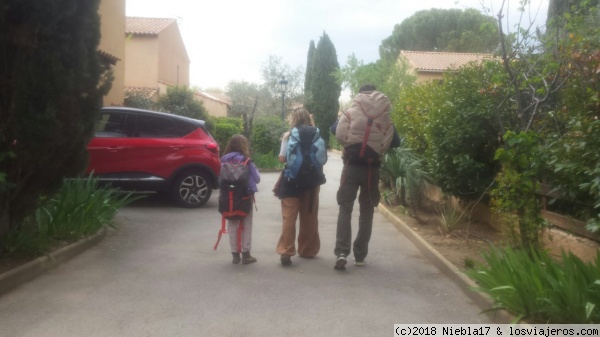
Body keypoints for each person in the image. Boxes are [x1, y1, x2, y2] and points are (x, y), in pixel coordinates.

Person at [332, 84, 399, 270]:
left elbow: (338, 133)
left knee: (345, 208)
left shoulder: (351, 111)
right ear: (377, 94)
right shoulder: (385, 117)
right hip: (372, 169)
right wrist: (377, 149)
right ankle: (360, 255)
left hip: (351, 166)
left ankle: (342, 252)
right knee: (367, 211)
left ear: (360, 94)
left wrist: (350, 144)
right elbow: (390, 142)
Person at [275, 107, 327, 266]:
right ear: (309, 119)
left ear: (294, 119)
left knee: (289, 217)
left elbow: (283, 159)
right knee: (309, 217)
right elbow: (322, 158)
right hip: (312, 183)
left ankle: (286, 251)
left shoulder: (288, 135)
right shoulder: (316, 134)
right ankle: (307, 250)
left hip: (291, 181)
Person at [220, 134, 261, 265]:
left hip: (228, 198)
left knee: (232, 223)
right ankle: (246, 255)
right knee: (246, 224)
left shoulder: (223, 160)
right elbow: (257, 179)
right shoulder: (246, 161)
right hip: (245, 197)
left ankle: (235, 255)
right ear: (244, 146)